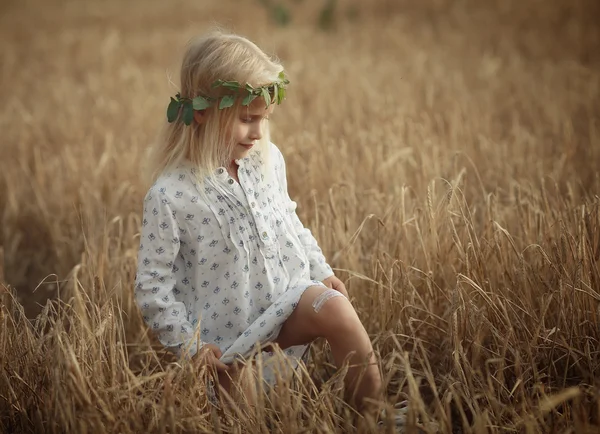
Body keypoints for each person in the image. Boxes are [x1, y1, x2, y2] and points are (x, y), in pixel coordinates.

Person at [134, 30, 413, 431]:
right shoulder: (170, 194)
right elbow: (152, 284)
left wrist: (320, 270)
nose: (259, 132)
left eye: (263, 119)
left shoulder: (267, 160)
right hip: (229, 341)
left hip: (285, 303)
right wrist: (189, 346)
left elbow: (289, 219)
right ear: (201, 112)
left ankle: (373, 418)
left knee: (338, 311)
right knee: (249, 420)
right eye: (247, 120)